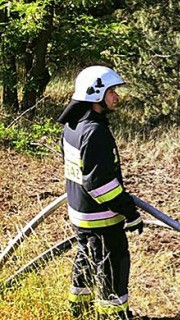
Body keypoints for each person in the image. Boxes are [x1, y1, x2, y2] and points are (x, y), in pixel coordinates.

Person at [58, 66, 144, 319]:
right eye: (112, 91)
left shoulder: (73, 125)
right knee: (112, 269)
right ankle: (114, 316)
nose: (117, 96)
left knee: (85, 259)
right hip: (101, 218)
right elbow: (99, 184)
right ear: (96, 95)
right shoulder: (95, 132)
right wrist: (129, 211)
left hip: (80, 213)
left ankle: (78, 310)